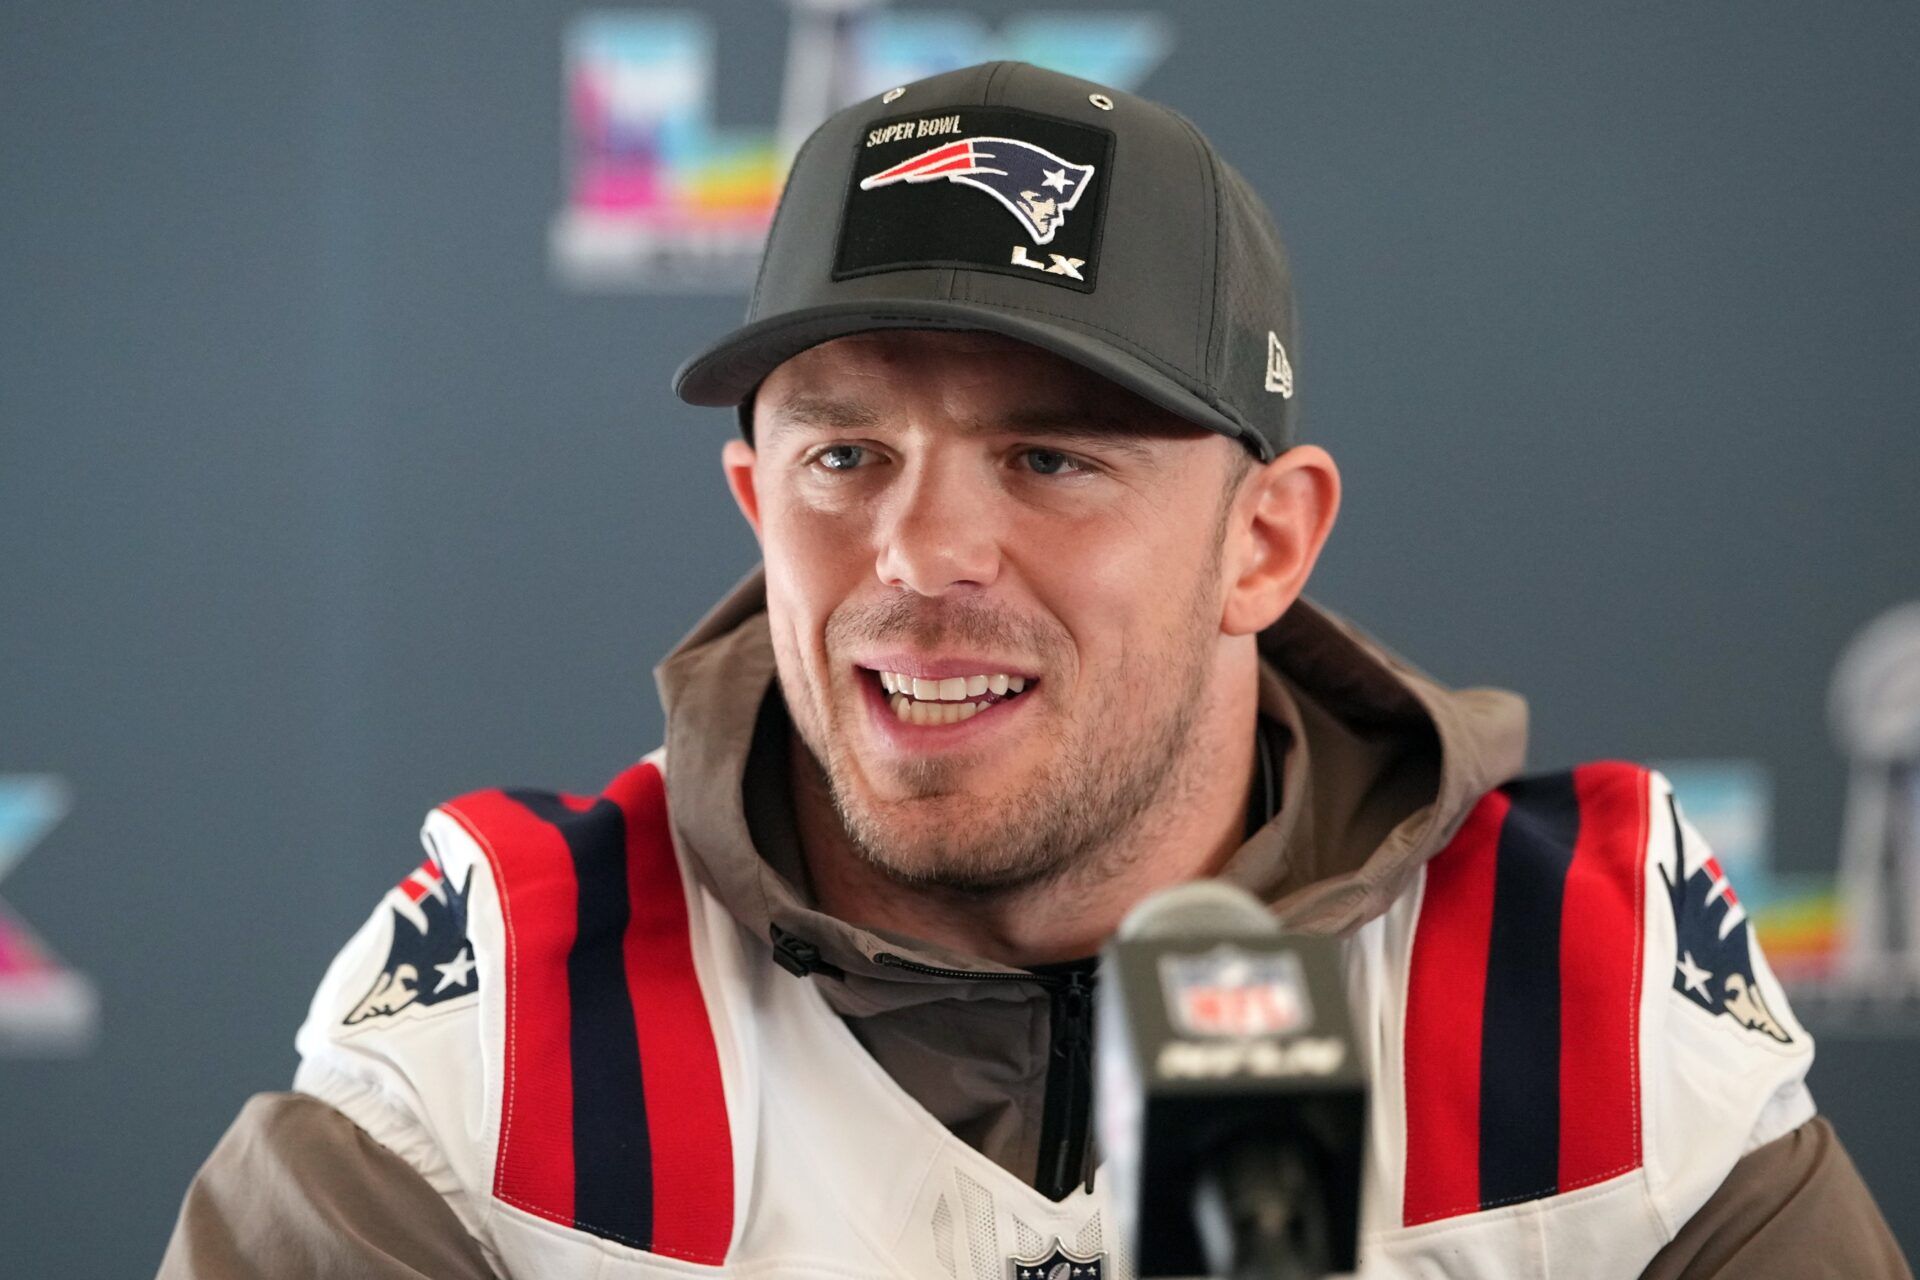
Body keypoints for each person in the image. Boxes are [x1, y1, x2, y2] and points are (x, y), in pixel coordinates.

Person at [158, 61, 1908, 1279]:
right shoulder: (507, 1021)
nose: (920, 559)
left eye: (1053, 459)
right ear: (758, 502)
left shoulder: (1575, 994)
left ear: (1266, 544)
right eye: (847, 459)